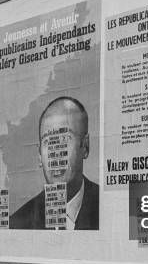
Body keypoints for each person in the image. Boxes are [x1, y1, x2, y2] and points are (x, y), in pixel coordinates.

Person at [10, 97, 99, 230]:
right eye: (48, 141)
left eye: (65, 138)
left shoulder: (111, 206)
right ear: (40, 155)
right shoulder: (17, 223)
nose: (56, 152)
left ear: (85, 146)